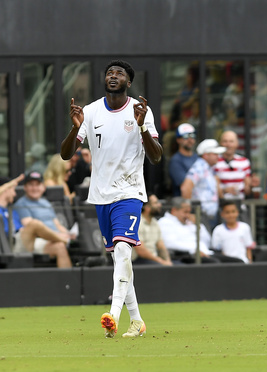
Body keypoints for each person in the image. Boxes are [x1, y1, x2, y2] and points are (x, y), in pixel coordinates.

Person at [61, 60, 163, 339]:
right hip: (102, 195)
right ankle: (138, 321)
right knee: (121, 260)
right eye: (109, 73)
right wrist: (75, 128)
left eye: (119, 73)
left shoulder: (140, 111)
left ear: (128, 82)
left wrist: (142, 127)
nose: (113, 76)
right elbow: (66, 155)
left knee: (122, 252)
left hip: (129, 192)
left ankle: (113, 314)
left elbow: (155, 156)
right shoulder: (91, 111)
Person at [12, 172, 73, 268]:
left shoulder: (46, 203)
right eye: (31, 185)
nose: (34, 188)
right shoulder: (21, 204)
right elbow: (31, 226)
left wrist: (69, 234)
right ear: (25, 187)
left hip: (55, 238)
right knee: (60, 246)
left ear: (43, 187)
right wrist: (58, 236)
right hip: (36, 240)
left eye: (38, 185)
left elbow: (57, 225)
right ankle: (67, 281)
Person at [157, 197, 218, 263]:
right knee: (215, 263)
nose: (188, 215)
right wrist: (194, 250)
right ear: (174, 210)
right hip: (185, 256)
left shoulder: (190, 222)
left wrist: (198, 225)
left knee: (229, 261)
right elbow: (169, 244)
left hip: (205, 252)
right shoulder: (164, 222)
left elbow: (207, 242)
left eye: (189, 212)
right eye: (185, 212)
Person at [181, 139, 225, 228]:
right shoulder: (199, 167)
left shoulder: (208, 167)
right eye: (215, 154)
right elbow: (185, 188)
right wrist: (188, 212)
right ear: (205, 155)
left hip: (208, 215)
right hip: (201, 215)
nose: (218, 157)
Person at [132, 194, 172, 266]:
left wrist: (168, 261)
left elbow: (161, 245)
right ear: (147, 207)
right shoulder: (137, 223)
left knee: (179, 265)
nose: (159, 205)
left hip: (154, 260)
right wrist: (161, 262)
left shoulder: (155, 222)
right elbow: (141, 251)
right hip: (138, 261)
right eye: (156, 203)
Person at [215, 130, 252, 199]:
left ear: (237, 144)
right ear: (220, 143)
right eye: (225, 141)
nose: (228, 145)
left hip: (240, 203)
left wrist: (251, 186)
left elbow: (247, 188)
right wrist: (225, 190)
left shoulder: (244, 162)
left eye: (231, 141)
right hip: (221, 203)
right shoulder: (215, 162)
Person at [168, 123, 198, 196]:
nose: (190, 139)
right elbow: (185, 185)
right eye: (186, 136)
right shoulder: (175, 160)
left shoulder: (197, 158)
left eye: (192, 136)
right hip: (184, 202)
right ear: (178, 140)